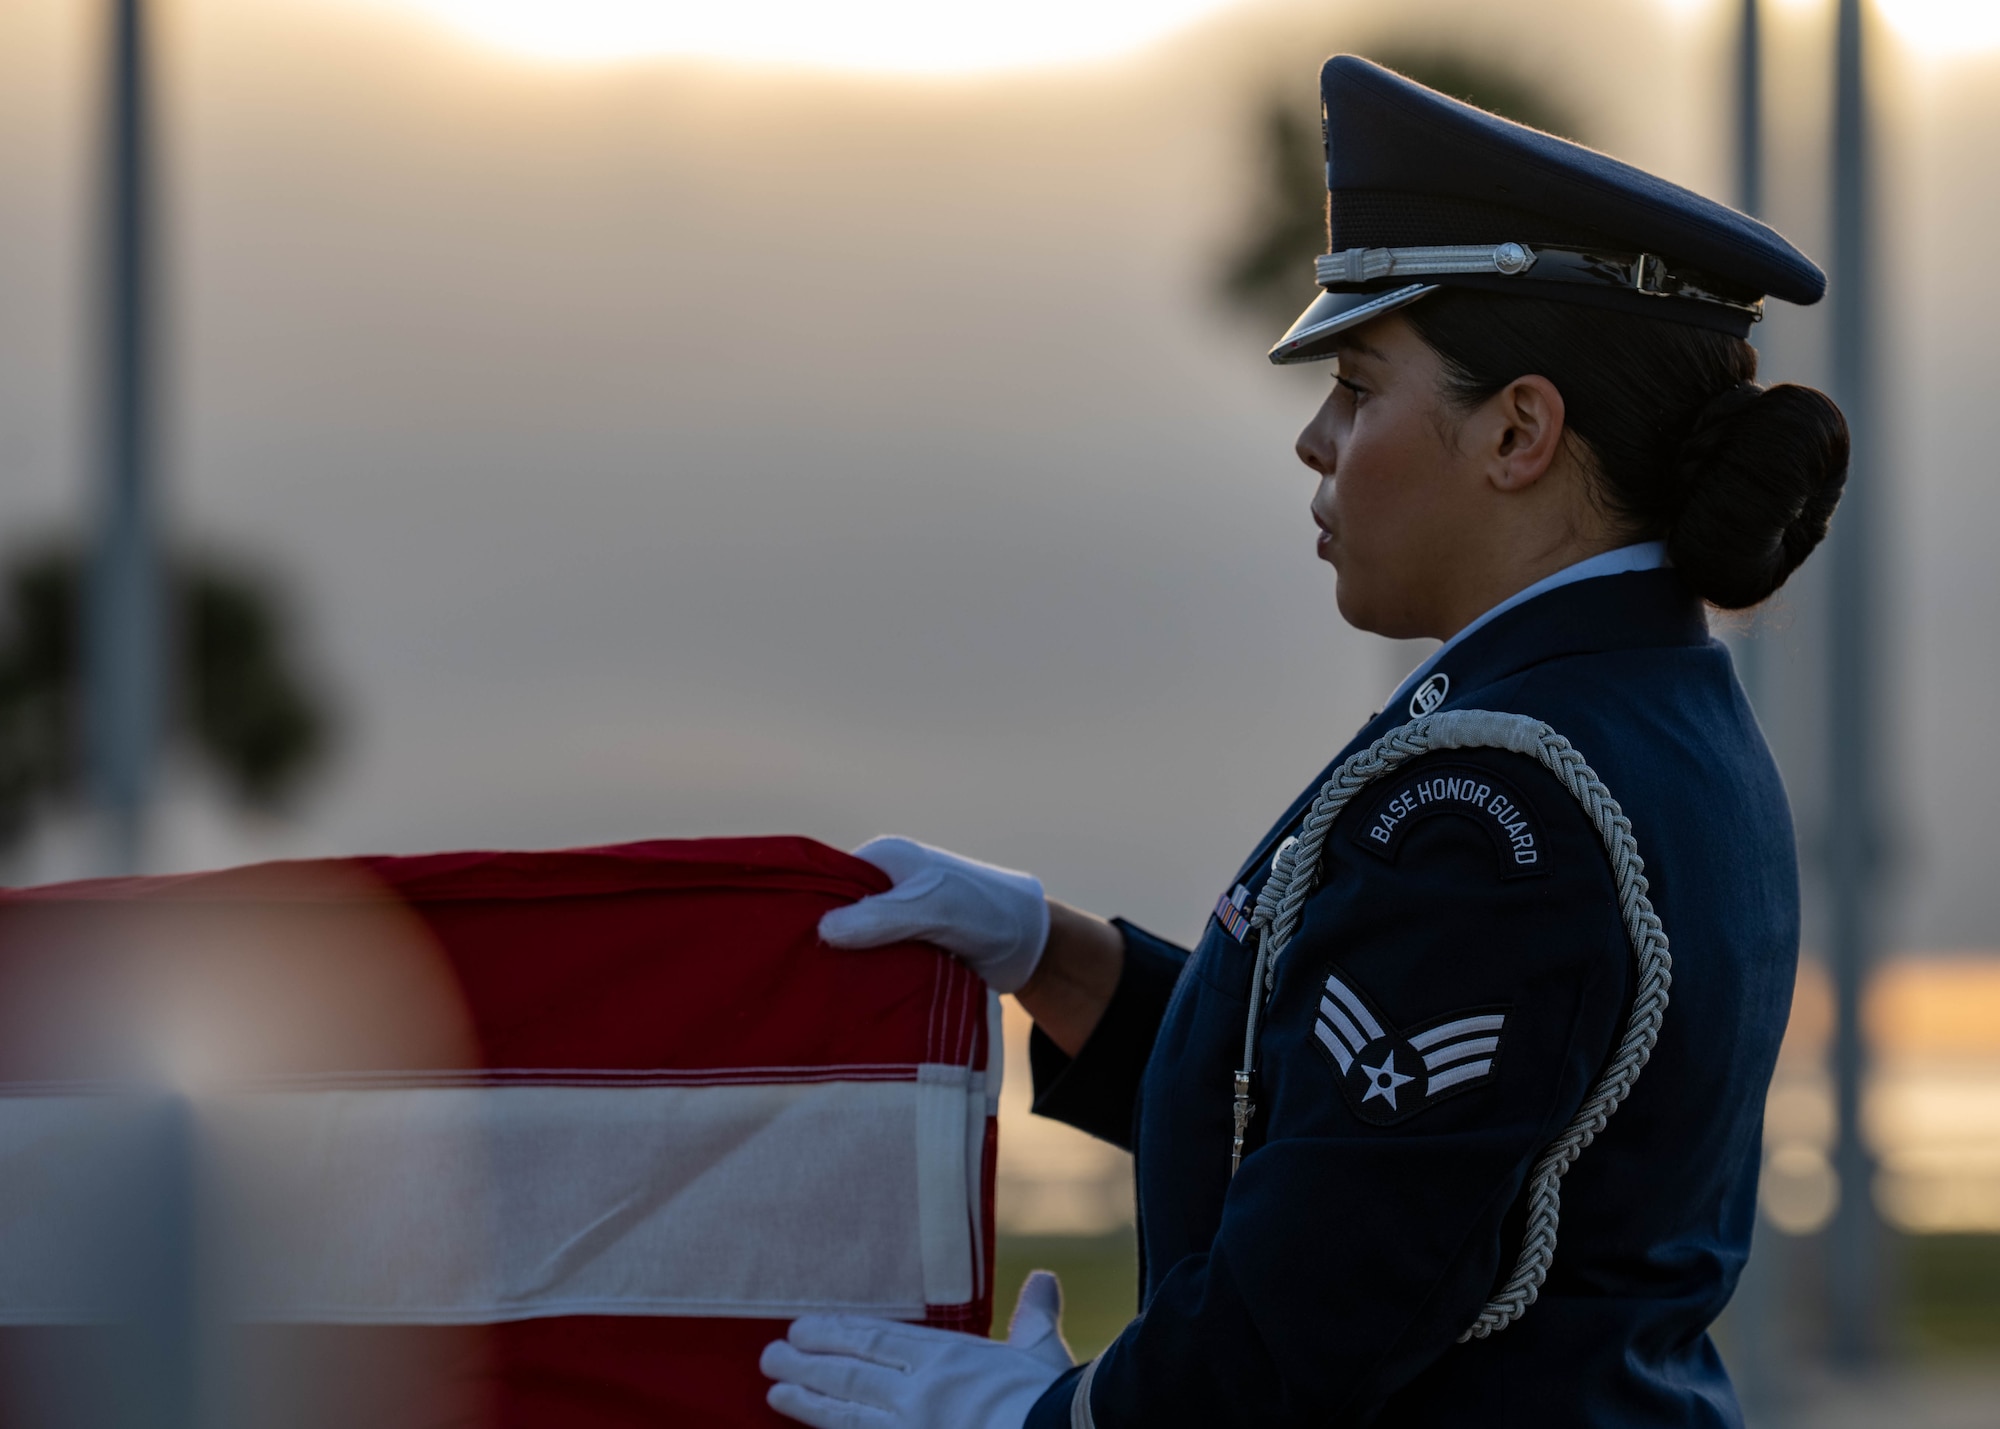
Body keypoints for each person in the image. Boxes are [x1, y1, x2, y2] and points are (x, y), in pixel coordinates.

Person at [760, 55, 1848, 1428]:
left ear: (1519, 429)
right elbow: (1380, 1117)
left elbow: (1327, 1299)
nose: (1318, 443)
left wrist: (1046, 1417)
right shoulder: (1636, 699)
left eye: (1358, 384)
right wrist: (1057, 954)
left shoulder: (1505, 798)